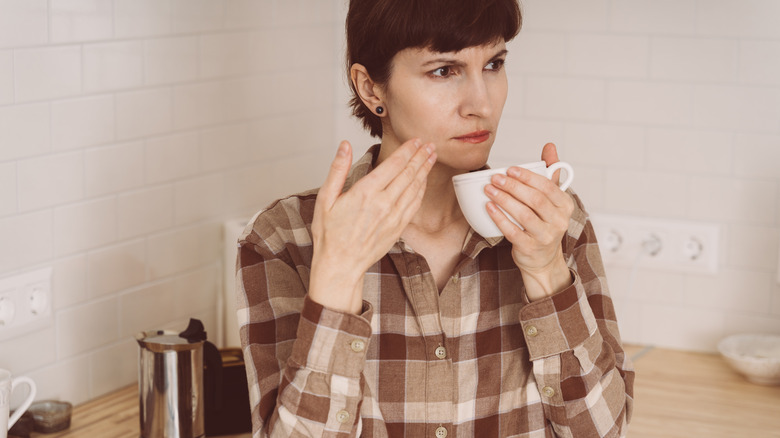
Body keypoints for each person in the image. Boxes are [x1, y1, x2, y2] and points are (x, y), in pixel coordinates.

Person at [236, 0, 634, 436]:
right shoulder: (283, 240)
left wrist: (546, 272)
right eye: (444, 71)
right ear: (372, 89)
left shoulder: (554, 222)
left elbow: (602, 431)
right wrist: (338, 278)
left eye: (494, 64)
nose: (480, 103)